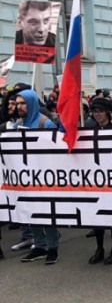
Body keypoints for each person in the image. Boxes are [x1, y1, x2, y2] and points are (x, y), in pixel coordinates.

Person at [7, 90, 60, 265]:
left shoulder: (45, 123)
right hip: (25, 177)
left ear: (31, 104)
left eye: (23, 103)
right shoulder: (18, 124)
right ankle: (39, 246)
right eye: (17, 103)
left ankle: (52, 248)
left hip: (44, 177)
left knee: (47, 212)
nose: (19, 107)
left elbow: (56, 149)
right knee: (31, 211)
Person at [86, 98, 112, 265]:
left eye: (100, 111)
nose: (97, 114)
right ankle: (99, 248)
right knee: (97, 216)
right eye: (94, 112)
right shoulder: (90, 131)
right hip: (96, 179)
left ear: (107, 112)